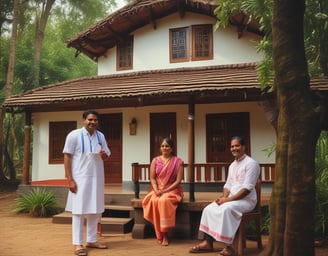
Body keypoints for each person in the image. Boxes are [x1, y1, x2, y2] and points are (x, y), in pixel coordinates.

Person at [190, 136, 260, 256]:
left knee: (227, 209)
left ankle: (230, 247)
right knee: (209, 208)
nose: (234, 148)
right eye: (232, 146)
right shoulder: (232, 165)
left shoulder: (251, 164)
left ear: (244, 147)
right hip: (232, 199)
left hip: (247, 201)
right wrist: (223, 198)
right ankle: (208, 242)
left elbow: (247, 189)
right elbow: (228, 185)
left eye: (237, 145)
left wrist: (227, 200)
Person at [63, 110, 111, 256]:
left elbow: (107, 154)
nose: (93, 122)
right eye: (90, 119)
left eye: (95, 120)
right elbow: (67, 156)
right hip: (79, 178)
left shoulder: (100, 136)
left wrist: (104, 155)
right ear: (84, 120)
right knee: (78, 211)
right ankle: (77, 244)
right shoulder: (74, 135)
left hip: (97, 178)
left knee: (94, 209)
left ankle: (91, 240)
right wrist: (70, 179)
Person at [142, 137, 184, 246]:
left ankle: (165, 234)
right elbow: (152, 178)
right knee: (154, 201)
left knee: (163, 201)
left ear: (172, 148)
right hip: (157, 189)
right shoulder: (155, 160)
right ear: (160, 148)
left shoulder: (178, 162)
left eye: (167, 146)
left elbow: (178, 181)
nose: (164, 148)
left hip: (172, 189)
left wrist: (165, 190)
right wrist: (156, 189)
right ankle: (159, 232)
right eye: (162, 146)